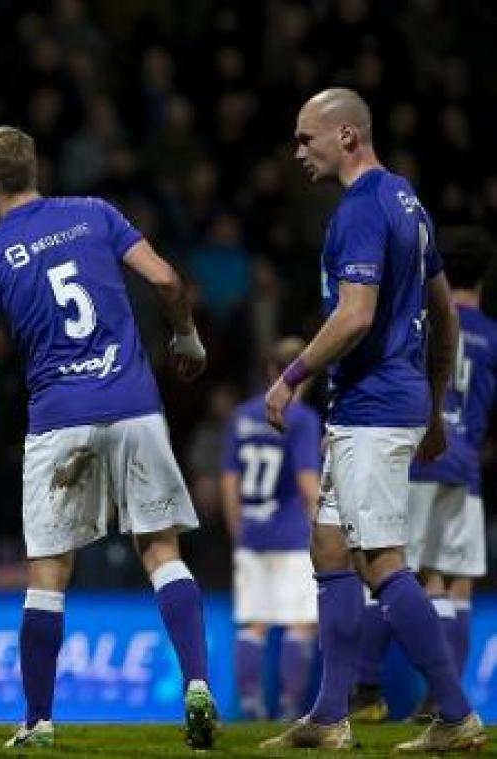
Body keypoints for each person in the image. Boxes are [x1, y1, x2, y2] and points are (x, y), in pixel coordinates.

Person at [0, 125, 220, 750]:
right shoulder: (94, 213)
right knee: (161, 551)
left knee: (48, 572)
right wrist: (184, 334)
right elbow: (167, 282)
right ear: (36, 168)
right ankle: (198, 683)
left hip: (59, 417)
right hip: (133, 406)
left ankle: (39, 722)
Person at [260, 88, 485, 752]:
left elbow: (355, 315)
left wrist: (290, 376)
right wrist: (437, 405)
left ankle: (455, 711)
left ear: (348, 136)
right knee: (329, 548)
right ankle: (331, 715)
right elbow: (443, 315)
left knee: (380, 557)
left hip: (373, 406)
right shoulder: (407, 200)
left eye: (308, 138)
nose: (298, 150)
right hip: (387, 402)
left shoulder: (360, 209)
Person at [350, 227, 497, 722]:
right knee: (453, 585)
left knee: (394, 570)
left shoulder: (422, 323)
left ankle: (366, 687)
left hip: (416, 457)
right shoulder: (493, 336)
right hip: (464, 465)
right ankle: (442, 700)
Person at [221, 337, 320, 721]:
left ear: (267, 368)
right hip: (294, 535)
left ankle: (250, 709)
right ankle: (290, 710)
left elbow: (229, 481)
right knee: (300, 623)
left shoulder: (241, 416)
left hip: (252, 533)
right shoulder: (302, 419)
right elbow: (307, 481)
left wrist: (237, 531)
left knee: (253, 623)